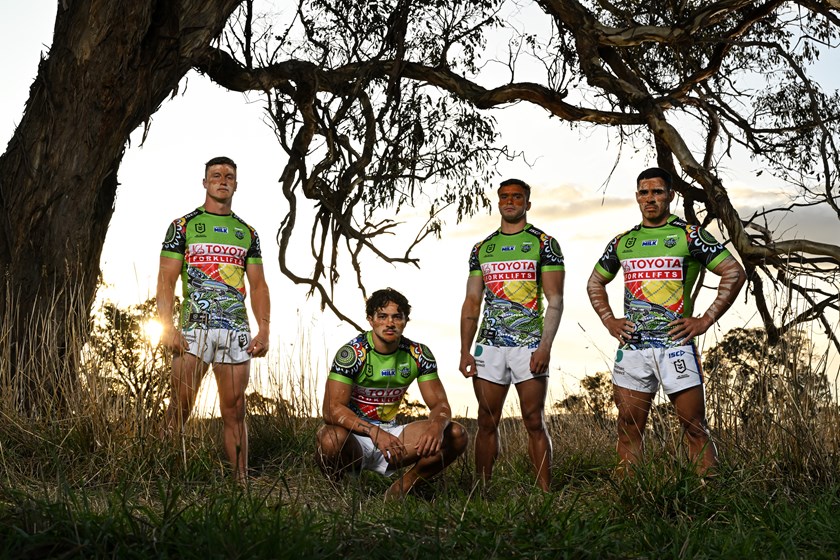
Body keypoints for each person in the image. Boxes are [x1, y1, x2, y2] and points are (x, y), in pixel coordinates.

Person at [586, 167, 746, 476]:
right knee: (628, 426)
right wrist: (610, 321)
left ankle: (711, 499)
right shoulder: (623, 242)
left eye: (657, 192)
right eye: (644, 193)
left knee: (694, 427)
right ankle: (632, 499)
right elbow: (595, 283)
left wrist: (705, 320)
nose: (650, 198)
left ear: (670, 195)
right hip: (633, 349)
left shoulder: (690, 235)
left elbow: (733, 272)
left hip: (676, 346)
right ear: (637, 197)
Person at [156, 156, 271, 482]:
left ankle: (241, 484)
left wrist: (264, 329)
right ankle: (157, 475)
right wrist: (167, 326)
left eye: (229, 176)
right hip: (194, 329)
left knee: (235, 410)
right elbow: (165, 280)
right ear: (205, 183)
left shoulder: (247, 233)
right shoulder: (182, 226)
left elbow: (258, 285)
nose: (223, 180)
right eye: (216, 175)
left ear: (236, 185)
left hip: (234, 331)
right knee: (180, 406)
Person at [459, 178, 565, 492]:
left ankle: (544, 494)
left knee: (533, 419)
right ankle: (481, 493)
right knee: (486, 420)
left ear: (527, 203)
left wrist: (545, 347)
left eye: (517, 197)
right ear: (498, 202)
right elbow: (472, 301)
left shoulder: (544, 243)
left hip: (528, 345)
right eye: (504, 197)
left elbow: (555, 300)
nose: (510, 202)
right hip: (489, 346)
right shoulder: (482, 248)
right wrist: (465, 350)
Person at [316, 288, 468, 498]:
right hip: (354, 437)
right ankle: (337, 492)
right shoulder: (352, 354)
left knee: (456, 434)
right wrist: (374, 432)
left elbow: (440, 405)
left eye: (397, 317)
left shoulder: (418, 354)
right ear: (370, 320)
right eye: (382, 316)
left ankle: (400, 489)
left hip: (394, 437)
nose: (390, 323)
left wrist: (437, 426)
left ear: (405, 321)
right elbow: (331, 410)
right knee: (330, 438)